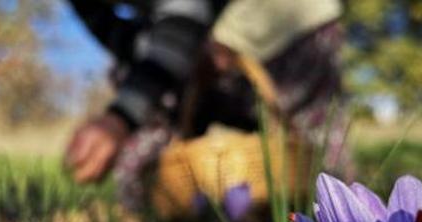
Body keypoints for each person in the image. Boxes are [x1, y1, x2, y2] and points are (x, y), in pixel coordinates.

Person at [64, 0, 348, 207]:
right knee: (148, 147)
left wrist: (121, 118)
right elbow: (123, 39)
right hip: (199, 39)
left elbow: (183, 16)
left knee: (316, 160)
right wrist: (171, 53)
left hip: (283, 22)